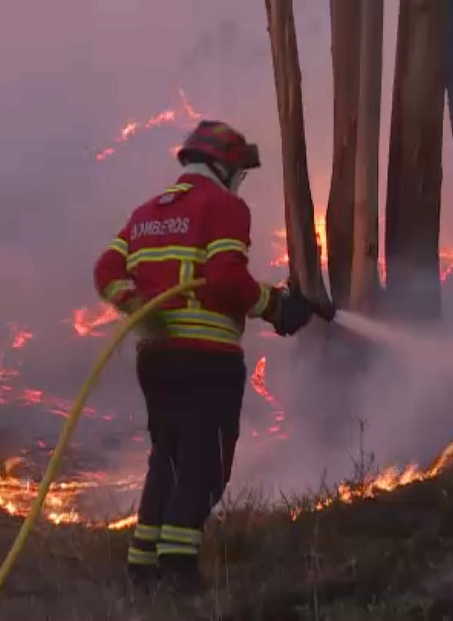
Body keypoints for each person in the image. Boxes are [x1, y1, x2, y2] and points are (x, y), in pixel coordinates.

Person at [92, 120, 318, 594]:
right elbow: (224, 280)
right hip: (206, 360)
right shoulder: (223, 205)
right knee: (205, 466)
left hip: (154, 359)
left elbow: (107, 269)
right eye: (237, 169)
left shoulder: (147, 213)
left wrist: (137, 305)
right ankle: (179, 567)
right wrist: (275, 307)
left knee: (168, 458)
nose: (239, 179)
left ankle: (142, 565)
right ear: (222, 165)